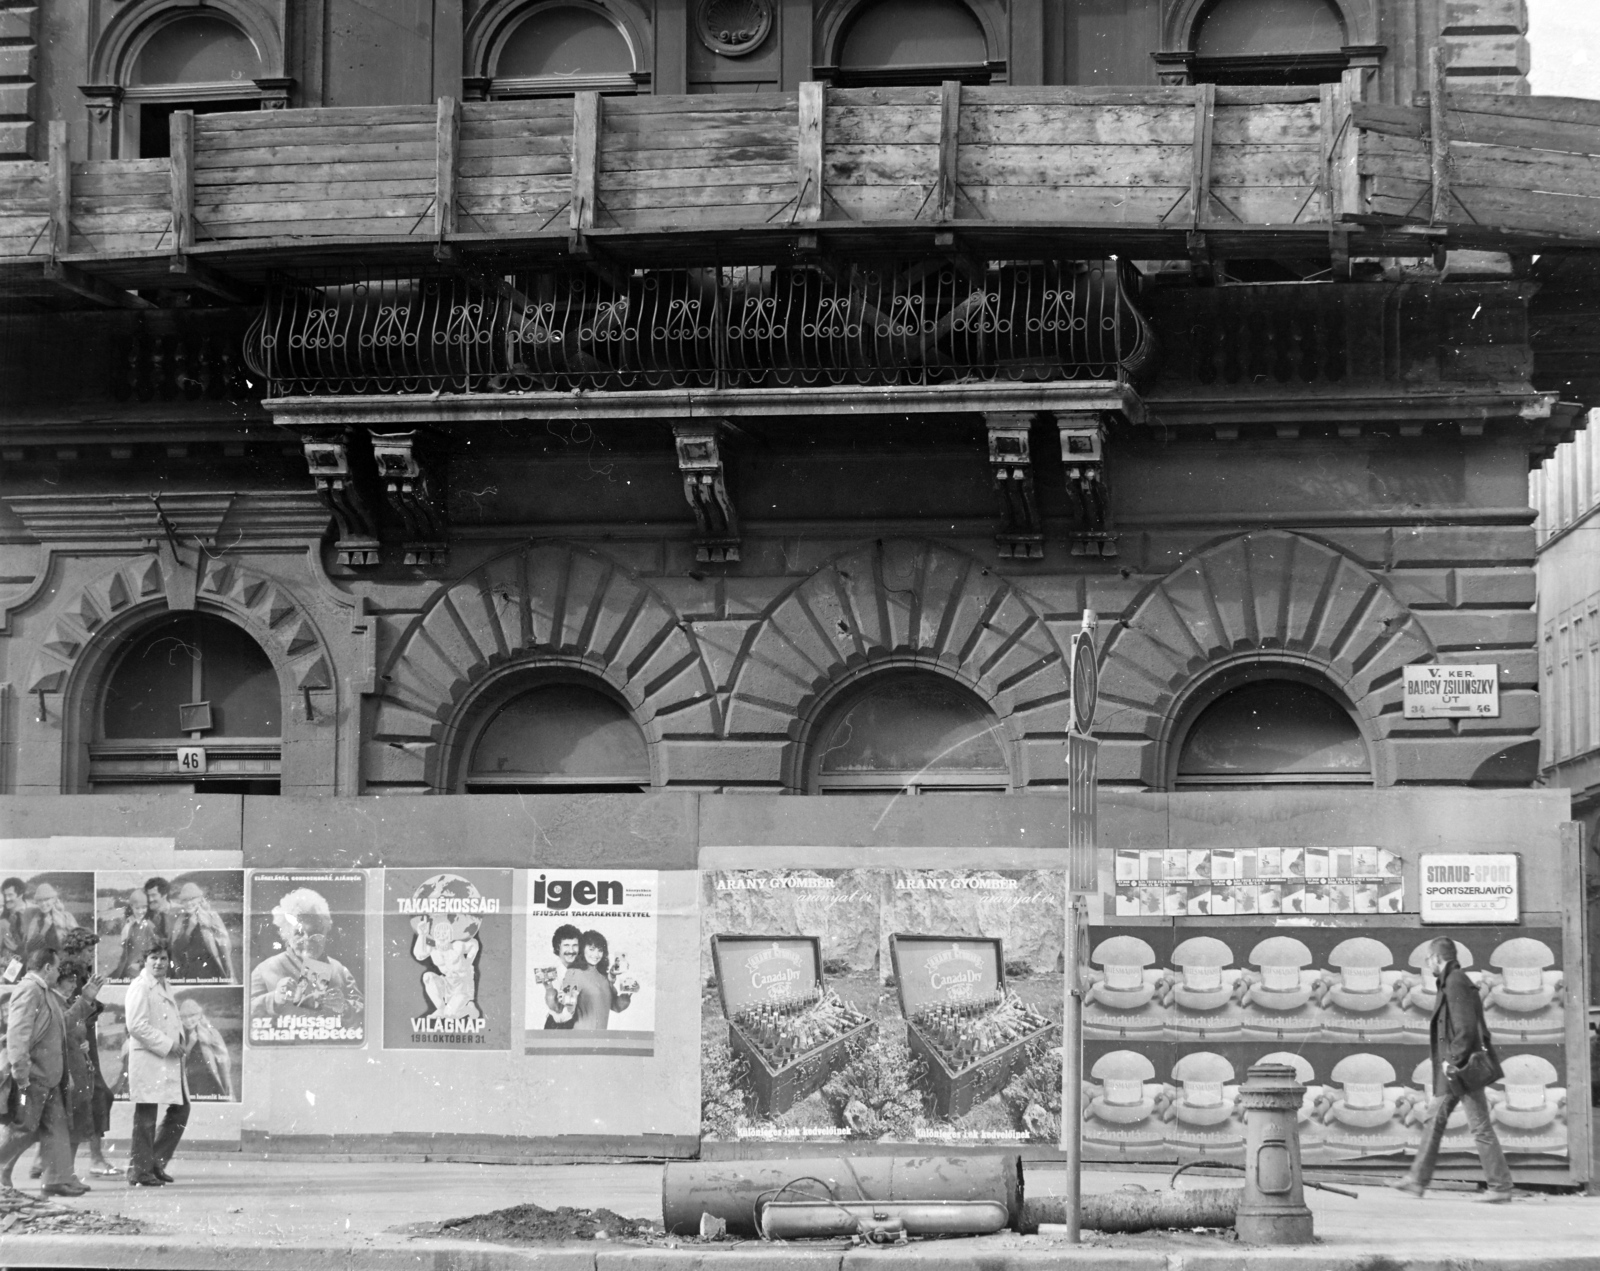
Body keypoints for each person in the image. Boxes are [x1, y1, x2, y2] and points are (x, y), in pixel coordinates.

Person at [1390, 936, 1518, 1202]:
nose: (1429, 965)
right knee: (1434, 1119)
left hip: (1461, 1069)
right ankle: (1416, 1181)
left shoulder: (1455, 980)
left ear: (1437, 958)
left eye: (1429, 960)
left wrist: (1453, 1061)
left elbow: (1466, 1028)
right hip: (1456, 1069)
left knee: (1479, 1126)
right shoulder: (1452, 979)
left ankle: (1500, 1187)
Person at [0, 948, 86, 1196]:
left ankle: (56, 1179)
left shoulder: (42, 991)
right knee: (23, 1127)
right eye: (57, 968)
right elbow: (18, 1035)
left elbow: (56, 1031)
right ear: (47, 968)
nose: (59, 973)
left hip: (48, 1077)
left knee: (56, 1126)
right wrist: (21, 1073)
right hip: (32, 1078)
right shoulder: (29, 990)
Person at [29, 960, 113, 1182]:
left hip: (76, 1072)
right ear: (57, 981)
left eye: (76, 980)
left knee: (75, 1125)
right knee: (57, 1127)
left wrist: (82, 1044)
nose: (73, 985)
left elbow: (75, 1031)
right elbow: (61, 1026)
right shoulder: (51, 1001)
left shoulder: (68, 1003)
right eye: (69, 980)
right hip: (60, 1074)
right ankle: (51, 1174)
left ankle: (67, 1174)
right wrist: (85, 1000)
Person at [123, 944, 190, 1187]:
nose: (159, 963)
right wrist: (169, 1044)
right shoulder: (140, 987)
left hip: (167, 1058)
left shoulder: (164, 985)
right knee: (146, 1117)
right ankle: (139, 1171)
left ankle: (155, 1162)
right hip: (151, 1058)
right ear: (145, 961)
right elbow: (136, 1026)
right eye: (154, 958)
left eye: (163, 958)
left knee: (181, 1110)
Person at [250, 887, 362, 1021]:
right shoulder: (264, 970)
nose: (308, 940)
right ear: (286, 934)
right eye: (299, 932)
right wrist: (273, 999)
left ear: (326, 932)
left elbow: (367, 1014)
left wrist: (345, 1007)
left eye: (316, 932)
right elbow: (245, 1014)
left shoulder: (340, 971)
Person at [566, 930, 636, 1032]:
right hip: (580, 1037)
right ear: (582, 949)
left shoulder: (603, 978)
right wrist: (569, 1000)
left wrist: (625, 998)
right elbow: (567, 1009)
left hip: (600, 1038)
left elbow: (615, 1006)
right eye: (591, 949)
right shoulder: (574, 973)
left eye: (600, 950)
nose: (596, 954)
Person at [167, 881, 235, 982]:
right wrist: (189, 929)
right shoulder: (180, 921)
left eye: (192, 899)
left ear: (200, 899)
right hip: (189, 971)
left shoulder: (211, 916)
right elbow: (176, 949)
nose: (189, 903)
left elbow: (224, 944)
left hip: (212, 969)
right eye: (185, 900)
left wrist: (209, 922)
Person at [178, 1000, 233, 1100]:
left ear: (199, 1015)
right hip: (190, 1080)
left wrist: (226, 1081)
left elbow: (223, 1057)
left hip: (209, 1079)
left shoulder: (210, 1032)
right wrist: (190, 1044)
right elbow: (179, 1061)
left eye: (191, 1016)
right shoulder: (181, 1035)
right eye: (184, 1017)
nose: (188, 1020)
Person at [20, 883, 78, 962]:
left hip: (63, 962)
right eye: (40, 900)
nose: (43, 904)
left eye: (46, 899)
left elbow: (79, 940)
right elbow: (30, 948)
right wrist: (44, 928)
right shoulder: (36, 919)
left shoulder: (66, 917)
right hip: (41, 965)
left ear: (54, 899)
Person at [541, 924, 582, 1030]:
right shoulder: (550, 969)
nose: (571, 950)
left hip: (577, 1022)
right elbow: (555, 1007)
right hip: (557, 1023)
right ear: (558, 946)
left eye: (575, 945)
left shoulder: (582, 969)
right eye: (566, 945)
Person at [113, 888, 157, 981]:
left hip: (142, 967)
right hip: (128, 965)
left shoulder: (149, 925)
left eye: (144, 907)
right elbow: (124, 946)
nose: (141, 911)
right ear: (131, 907)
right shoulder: (128, 923)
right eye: (137, 908)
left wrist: (141, 964)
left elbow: (154, 947)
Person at [0, 878, 25, 968]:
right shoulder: (3, 914)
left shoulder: (31, 914)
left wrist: (18, 949)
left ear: (20, 895)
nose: (6, 899)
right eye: (5, 895)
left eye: (10, 895)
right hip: (8, 965)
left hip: (28, 963)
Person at [142, 879, 173, 946]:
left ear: (164, 894)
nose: (150, 899)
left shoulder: (181, 912)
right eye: (148, 895)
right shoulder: (145, 916)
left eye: (153, 895)